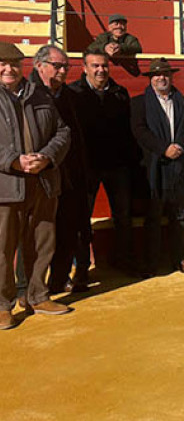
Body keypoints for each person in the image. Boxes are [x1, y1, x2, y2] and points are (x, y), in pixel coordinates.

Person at [0, 42, 71, 330]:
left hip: (42, 181)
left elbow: (62, 131)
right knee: (3, 248)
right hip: (6, 184)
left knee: (42, 242)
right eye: (3, 63)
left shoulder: (39, 94)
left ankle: (37, 295)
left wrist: (48, 157)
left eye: (14, 64)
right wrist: (13, 161)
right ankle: (3, 305)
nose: (9, 69)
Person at [70, 49, 139, 276]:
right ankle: (81, 268)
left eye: (104, 66)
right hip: (86, 167)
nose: (100, 70)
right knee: (82, 219)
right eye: (95, 66)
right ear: (85, 68)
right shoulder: (73, 93)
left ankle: (124, 260)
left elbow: (128, 131)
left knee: (123, 216)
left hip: (117, 166)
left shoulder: (120, 92)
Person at [30, 45, 91, 293]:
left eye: (66, 66)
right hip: (39, 174)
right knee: (36, 234)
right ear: (39, 66)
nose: (63, 70)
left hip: (70, 175)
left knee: (68, 231)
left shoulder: (69, 96)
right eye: (58, 66)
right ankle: (29, 288)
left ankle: (56, 283)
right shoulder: (28, 94)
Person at [130, 58, 184, 277]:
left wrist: (179, 147)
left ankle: (180, 258)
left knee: (179, 216)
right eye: (157, 75)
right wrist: (163, 148)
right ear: (151, 78)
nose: (162, 78)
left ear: (171, 76)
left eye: (166, 74)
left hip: (179, 165)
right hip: (153, 167)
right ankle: (152, 262)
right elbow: (140, 131)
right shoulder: (139, 103)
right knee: (154, 216)